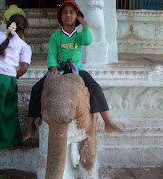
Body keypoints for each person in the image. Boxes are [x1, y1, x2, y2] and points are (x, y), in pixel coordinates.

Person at [23, 0, 125, 141]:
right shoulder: (55, 37)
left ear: (77, 16)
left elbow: (88, 41)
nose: (68, 15)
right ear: (60, 16)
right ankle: (31, 125)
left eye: (72, 12)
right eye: (65, 12)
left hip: (77, 69)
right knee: (36, 89)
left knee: (95, 87)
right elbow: (52, 55)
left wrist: (86, 25)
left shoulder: (79, 36)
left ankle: (108, 122)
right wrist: (53, 69)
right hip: (58, 69)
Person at [0, 14, 32, 150]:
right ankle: (10, 142)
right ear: (23, 31)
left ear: (8, 25)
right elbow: (24, 68)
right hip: (7, 77)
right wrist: (11, 78)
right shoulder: (24, 46)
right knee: (6, 110)